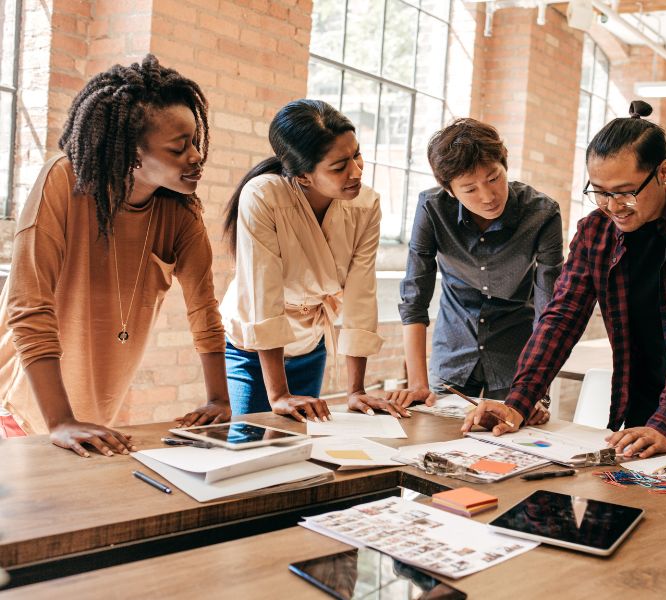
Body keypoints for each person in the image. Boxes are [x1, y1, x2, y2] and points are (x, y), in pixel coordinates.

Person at [464, 101, 666, 460]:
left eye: (626, 192)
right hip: (648, 398)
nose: (613, 207)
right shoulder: (595, 231)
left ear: (663, 173)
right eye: (600, 192)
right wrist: (518, 401)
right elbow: (561, 316)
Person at [0, 55, 231, 456]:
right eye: (180, 148)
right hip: (21, 405)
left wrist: (219, 399)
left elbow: (204, 309)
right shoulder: (64, 182)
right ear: (132, 153)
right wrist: (60, 421)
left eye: (195, 141)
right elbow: (29, 308)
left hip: (93, 410)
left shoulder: (180, 212)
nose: (196, 156)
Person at [221, 99, 399, 423]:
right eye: (339, 166)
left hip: (309, 343)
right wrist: (278, 395)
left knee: (303, 445)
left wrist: (355, 390)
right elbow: (263, 296)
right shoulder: (263, 196)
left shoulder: (367, 205)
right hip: (251, 349)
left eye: (356, 155)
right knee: (251, 442)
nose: (356, 171)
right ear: (304, 175)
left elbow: (361, 294)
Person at [389, 118, 562, 417]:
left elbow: (550, 310)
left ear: (505, 165)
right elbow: (414, 298)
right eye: (469, 188)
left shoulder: (542, 213)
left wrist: (535, 391)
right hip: (454, 345)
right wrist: (417, 383)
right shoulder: (432, 208)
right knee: (438, 439)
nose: (487, 196)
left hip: (517, 354)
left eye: (494, 178)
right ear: (450, 190)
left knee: (509, 446)